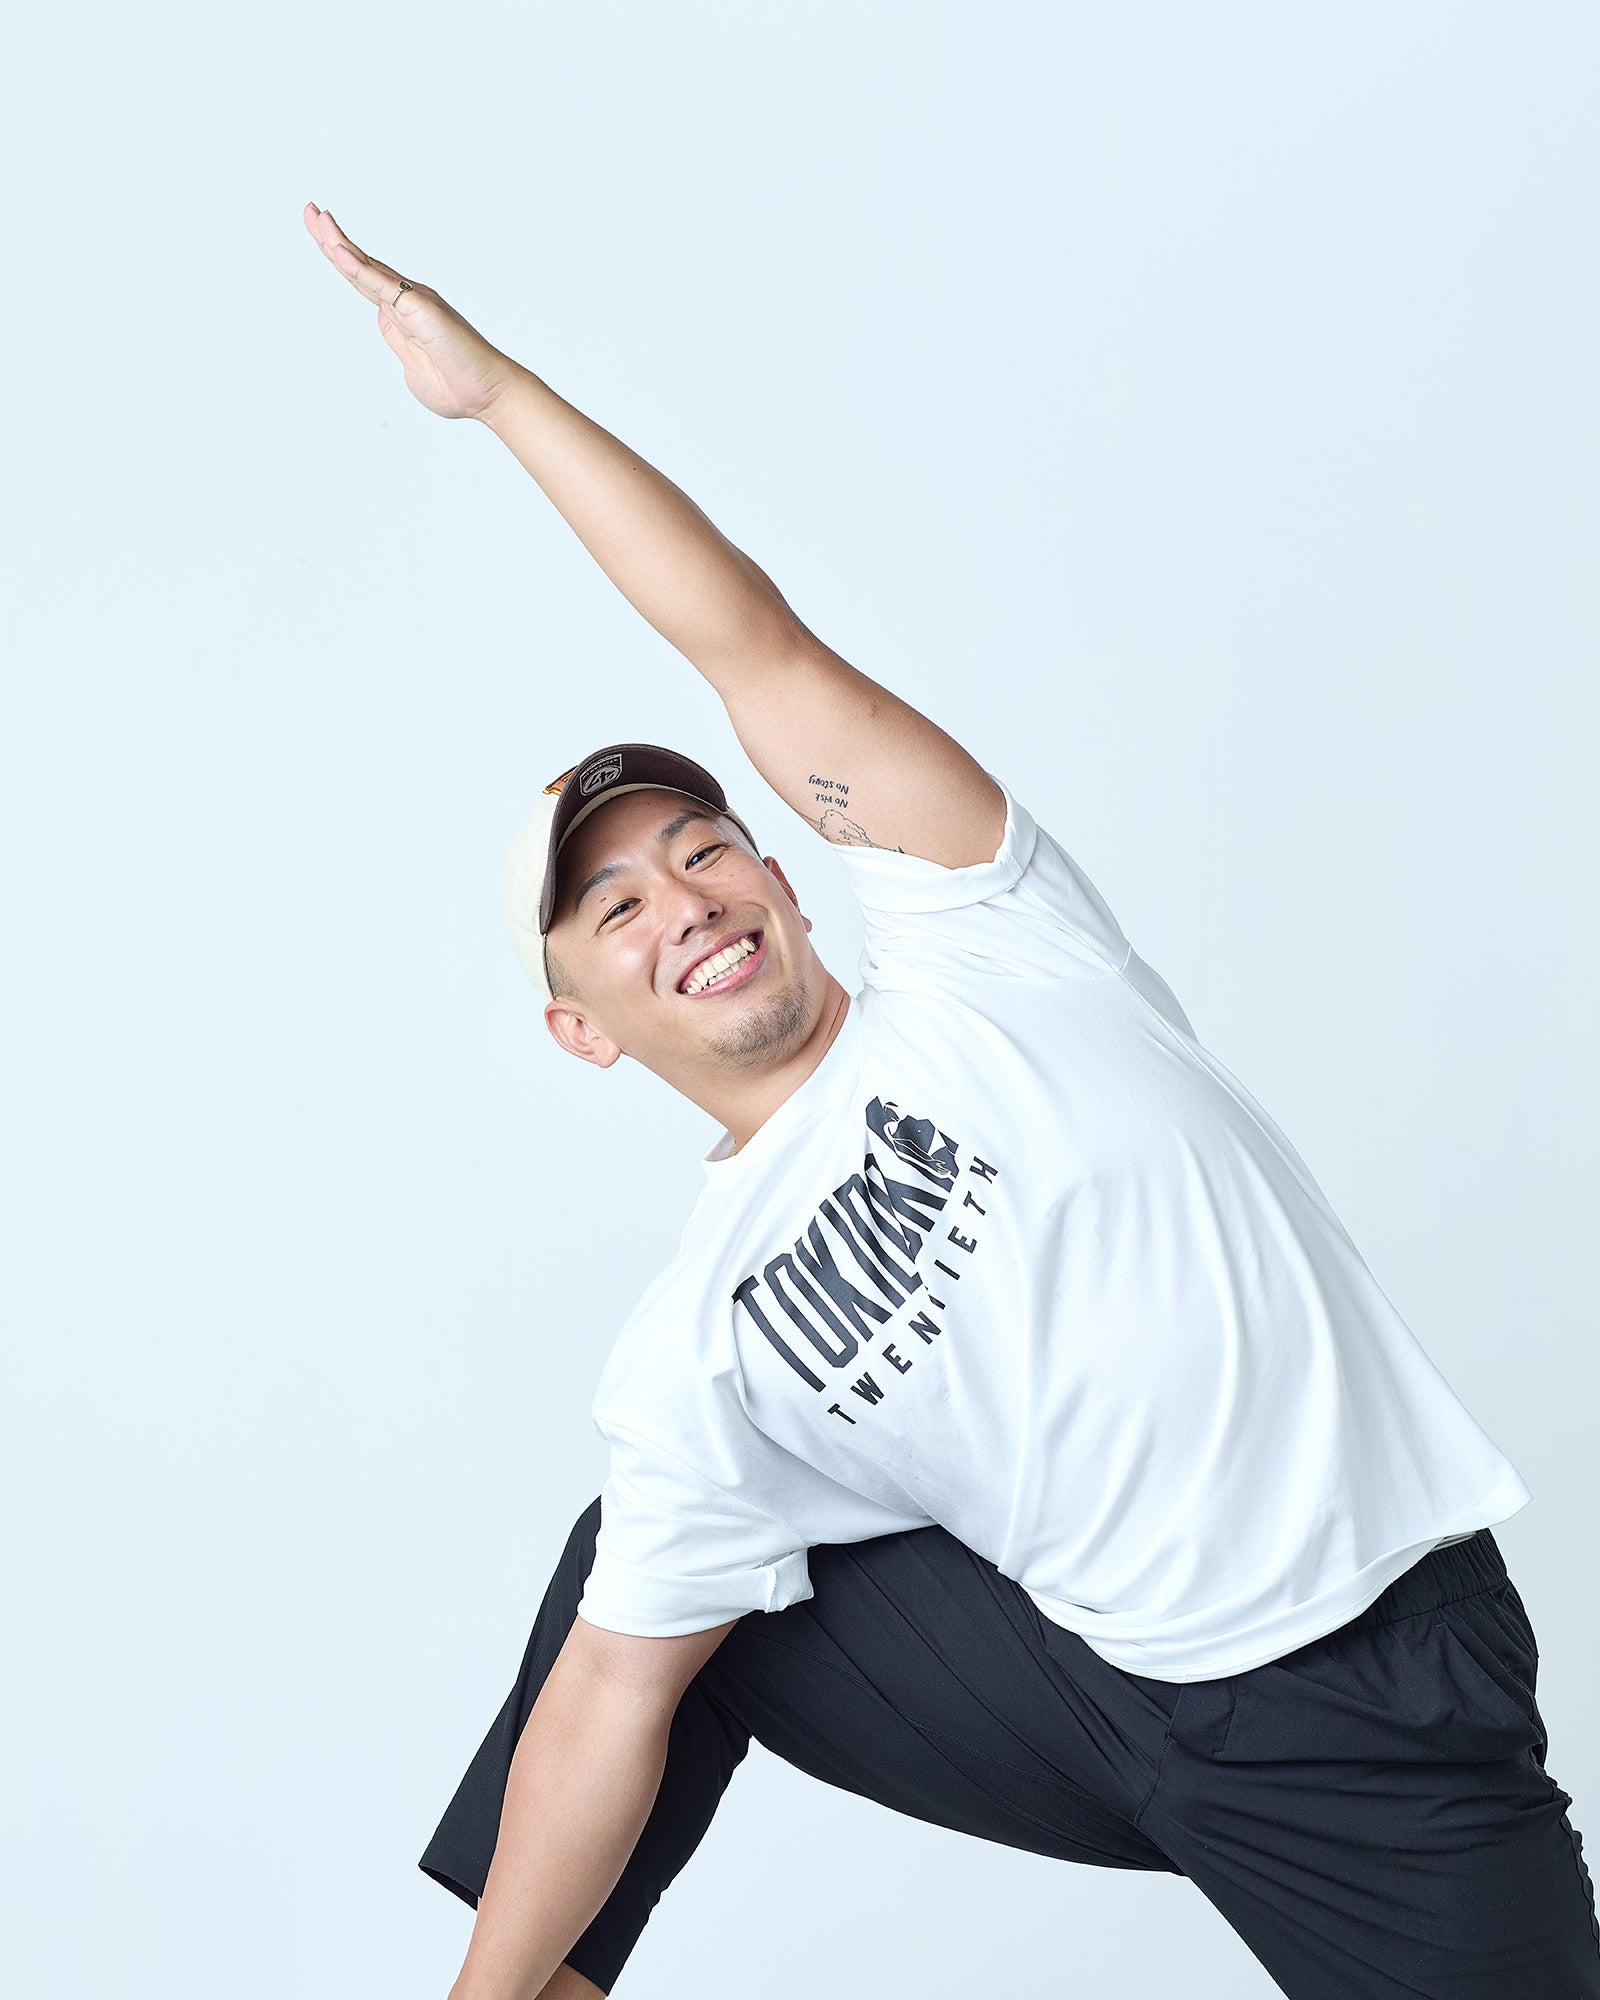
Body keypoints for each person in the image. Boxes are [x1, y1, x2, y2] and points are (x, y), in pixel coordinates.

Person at [304, 202, 1600, 1999]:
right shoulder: (700, 1342)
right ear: (582, 1028)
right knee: (640, 1589)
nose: (684, 903)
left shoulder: (986, 942)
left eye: (702, 851)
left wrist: (504, 398)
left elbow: (756, 651)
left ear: (786, 875)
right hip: (1093, 1694)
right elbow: (607, 1695)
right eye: (616, 909)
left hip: (1365, 1688)